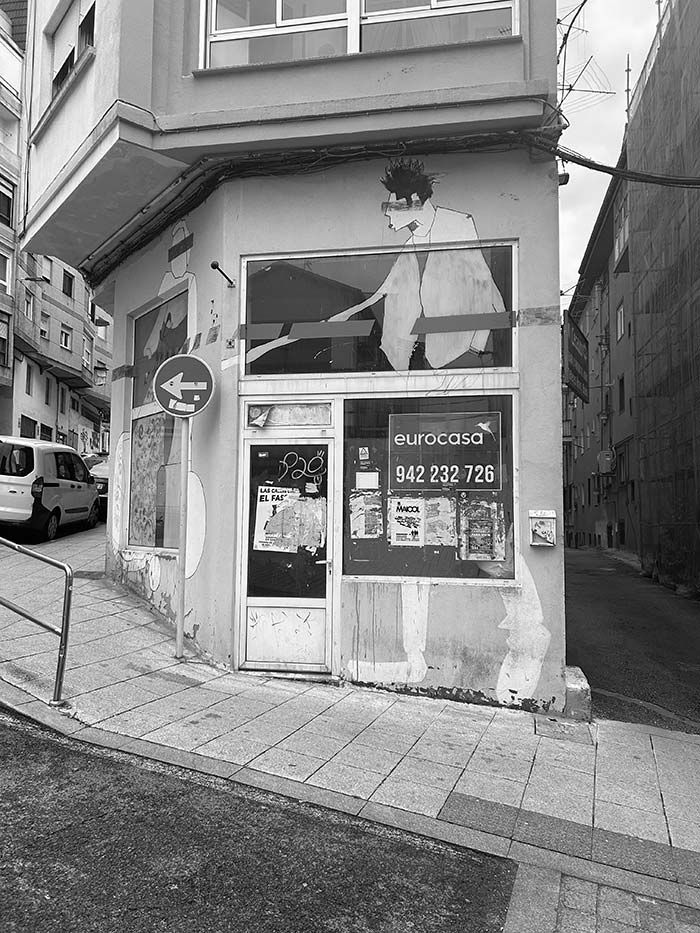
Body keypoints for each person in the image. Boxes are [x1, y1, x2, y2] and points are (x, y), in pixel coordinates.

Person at [246, 158, 508, 371]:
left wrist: (479, 347)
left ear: (414, 200)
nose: (386, 213)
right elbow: (377, 297)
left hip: (461, 352)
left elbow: (484, 284)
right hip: (434, 355)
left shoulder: (455, 226)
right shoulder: (411, 246)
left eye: (392, 206)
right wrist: (281, 342)